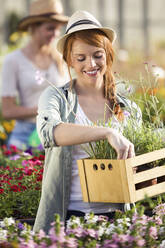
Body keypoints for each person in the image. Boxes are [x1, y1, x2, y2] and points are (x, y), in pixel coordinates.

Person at [33, 10, 142, 233]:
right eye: (80, 58)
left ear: (108, 54)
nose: (90, 64)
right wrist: (106, 133)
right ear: (69, 61)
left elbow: (136, 166)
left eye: (97, 55)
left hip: (118, 219)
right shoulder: (57, 98)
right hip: (69, 218)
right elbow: (50, 133)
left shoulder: (128, 108)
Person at [1, 0, 69, 149]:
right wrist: (45, 110)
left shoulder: (59, 58)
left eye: (58, 29)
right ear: (33, 28)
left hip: (57, 134)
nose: (55, 34)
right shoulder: (13, 61)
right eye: (50, 28)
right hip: (25, 136)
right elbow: (7, 110)